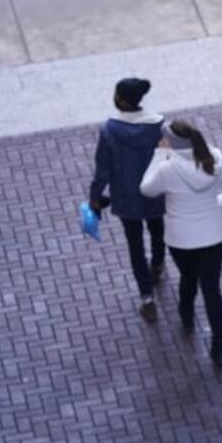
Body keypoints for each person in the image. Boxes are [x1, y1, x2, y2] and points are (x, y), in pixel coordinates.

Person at [140, 120, 222, 367]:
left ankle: (186, 314)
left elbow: (146, 189)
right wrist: (214, 208)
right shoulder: (214, 158)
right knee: (212, 289)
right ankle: (219, 346)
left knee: (188, 277)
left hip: (181, 240)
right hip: (214, 237)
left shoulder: (167, 168)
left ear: (172, 144)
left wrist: (158, 155)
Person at [89, 78, 165, 323]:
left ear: (121, 99)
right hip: (155, 192)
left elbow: (103, 169)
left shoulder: (109, 130)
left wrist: (95, 197)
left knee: (135, 246)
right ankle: (158, 264)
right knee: (157, 230)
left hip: (125, 196)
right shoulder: (158, 125)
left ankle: (147, 298)